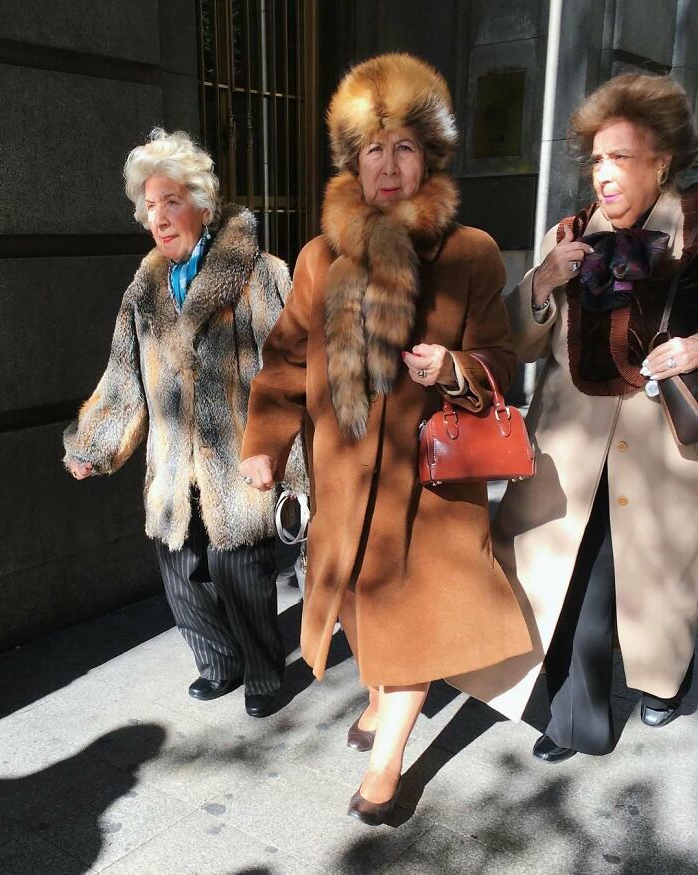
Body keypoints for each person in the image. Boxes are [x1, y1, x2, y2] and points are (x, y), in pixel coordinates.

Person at [239, 53, 532, 824]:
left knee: (411, 612)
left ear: (428, 156)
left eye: (404, 146)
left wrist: (453, 366)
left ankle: (388, 764)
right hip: (343, 483)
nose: (389, 164)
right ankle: (380, 691)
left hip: (429, 488)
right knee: (360, 605)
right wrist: (265, 442)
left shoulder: (469, 254)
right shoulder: (319, 259)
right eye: (374, 148)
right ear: (353, 161)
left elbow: (501, 361)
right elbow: (284, 360)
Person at [453, 73, 698, 762]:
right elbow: (520, 343)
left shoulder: (695, 231)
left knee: (650, 581)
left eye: (621, 157)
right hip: (570, 446)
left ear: (661, 162)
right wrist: (542, 280)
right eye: (597, 160)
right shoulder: (568, 235)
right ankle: (576, 720)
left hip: (661, 450)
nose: (605, 173)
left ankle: (662, 679)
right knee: (571, 578)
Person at [63, 129, 305, 718]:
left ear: (201, 203)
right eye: (150, 205)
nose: (159, 217)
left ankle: (263, 671)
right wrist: (93, 446)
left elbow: (291, 369)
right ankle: (219, 663)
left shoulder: (260, 275)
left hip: (240, 457)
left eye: (171, 201)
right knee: (181, 568)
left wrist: (286, 457)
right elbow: (124, 375)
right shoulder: (142, 291)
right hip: (173, 462)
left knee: (238, 567)